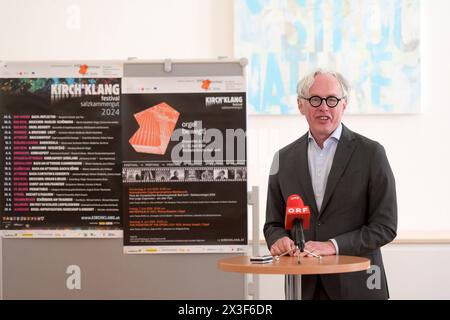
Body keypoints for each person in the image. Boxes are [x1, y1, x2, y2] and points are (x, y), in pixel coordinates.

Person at [263, 69, 397, 300]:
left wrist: (333, 245)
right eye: (315, 99)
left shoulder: (371, 154)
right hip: (303, 287)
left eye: (332, 99)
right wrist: (278, 240)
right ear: (300, 105)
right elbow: (273, 224)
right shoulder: (282, 159)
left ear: (344, 105)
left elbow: (385, 226)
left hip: (359, 286)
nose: (323, 107)